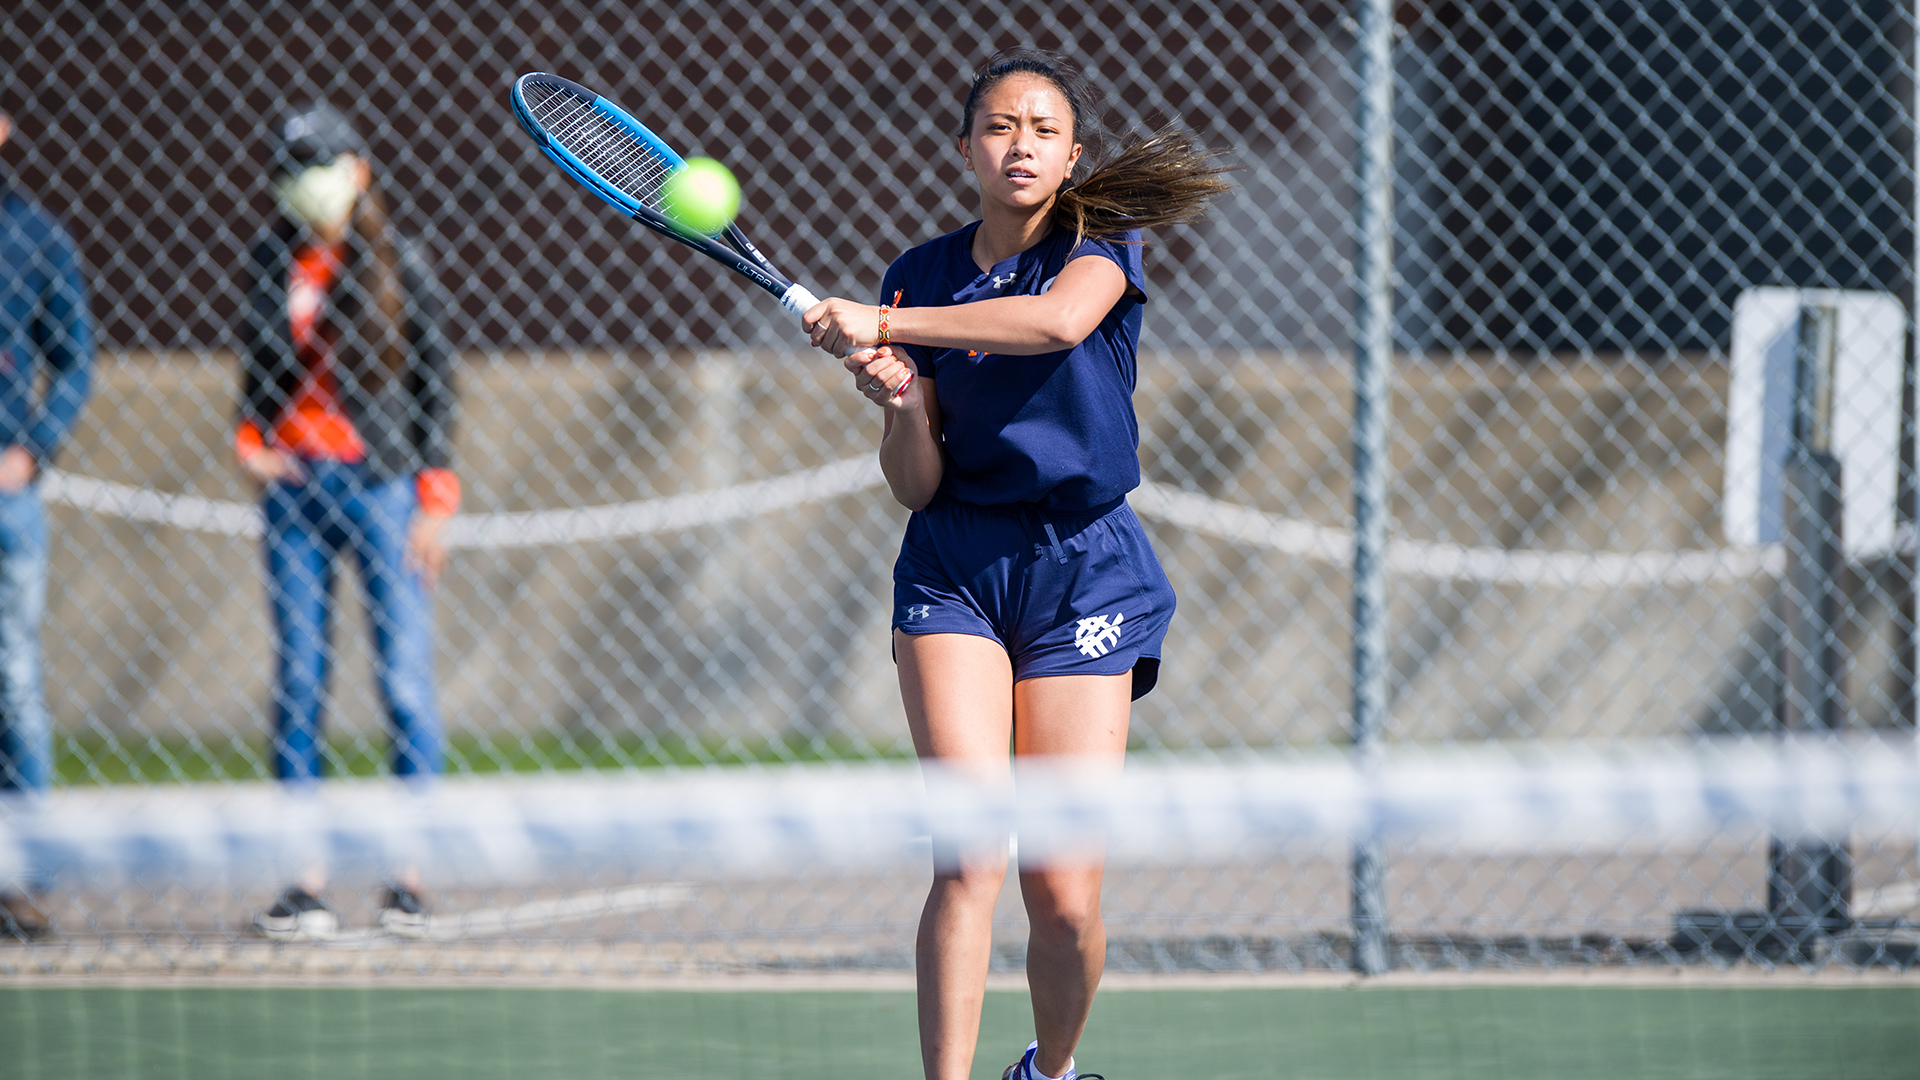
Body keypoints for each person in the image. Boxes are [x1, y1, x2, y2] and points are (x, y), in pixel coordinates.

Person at [803, 48, 1230, 1080]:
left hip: (1087, 571)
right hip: (954, 567)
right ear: (965, 151)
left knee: (1064, 893)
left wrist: (885, 323)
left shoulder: (1100, 246)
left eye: (1044, 129)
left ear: (1073, 154)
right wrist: (907, 405)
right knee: (968, 859)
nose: (1021, 144)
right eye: (999, 127)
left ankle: (1050, 1071)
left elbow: (1054, 323)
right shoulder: (920, 272)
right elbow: (915, 485)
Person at [235, 102, 458, 939]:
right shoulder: (271, 260)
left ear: (357, 171)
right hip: (295, 489)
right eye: (291, 169)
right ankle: (305, 884)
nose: (304, 184)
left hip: (381, 487)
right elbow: (257, 371)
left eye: (318, 166)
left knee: (403, 682)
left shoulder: (399, 261)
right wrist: (249, 441)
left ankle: (409, 880)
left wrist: (435, 498)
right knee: (299, 682)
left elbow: (436, 383)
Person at [0, 109, 95, 940]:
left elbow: (74, 360)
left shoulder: (35, 238)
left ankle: (23, 883)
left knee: (15, 683)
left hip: (7, 503)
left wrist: (30, 450)